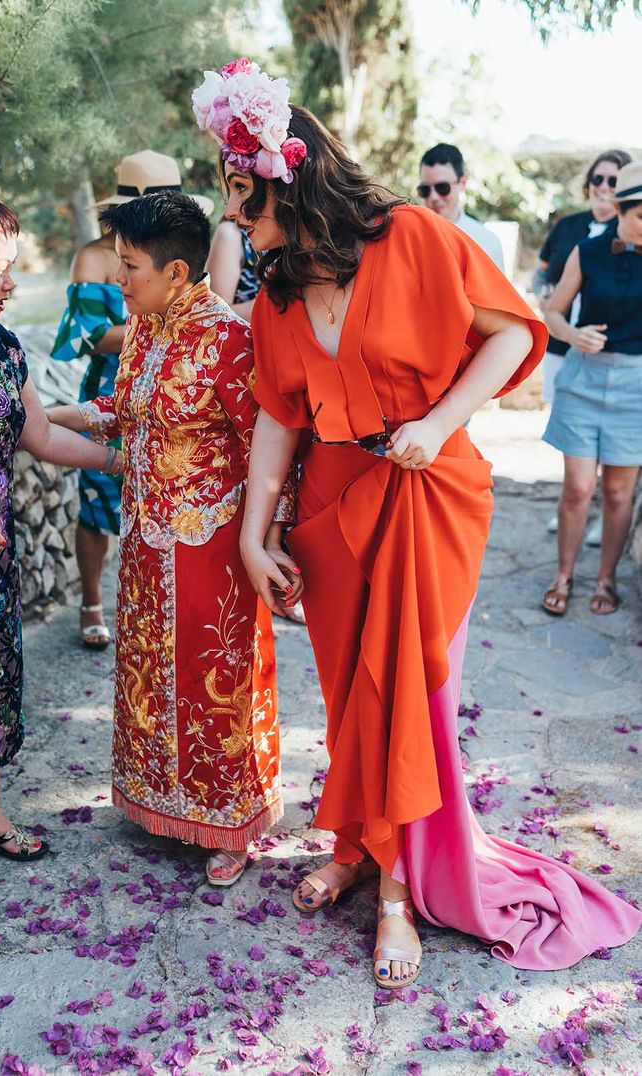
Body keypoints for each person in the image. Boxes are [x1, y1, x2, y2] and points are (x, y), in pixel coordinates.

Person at [193, 58, 642, 985]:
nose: (234, 215)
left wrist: (438, 423)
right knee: (351, 695)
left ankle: (398, 894)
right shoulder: (275, 290)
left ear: (291, 173)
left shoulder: (411, 237)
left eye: (243, 193)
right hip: (329, 512)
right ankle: (358, 847)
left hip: (428, 495)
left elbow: (515, 330)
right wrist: (251, 531)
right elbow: (280, 415)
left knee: (408, 692)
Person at [47, 192, 295, 887]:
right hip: (148, 540)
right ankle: (161, 800)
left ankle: (230, 821)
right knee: (150, 673)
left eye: (131, 267)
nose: (119, 279)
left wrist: (271, 538)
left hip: (214, 546)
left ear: (178, 271)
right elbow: (120, 409)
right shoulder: (147, 327)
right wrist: (45, 416)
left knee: (217, 679)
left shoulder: (228, 341)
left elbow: (269, 447)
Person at [0, 188, 123, 929]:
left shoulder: (4, 346)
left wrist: (121, 460)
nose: (10, 282)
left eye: (12, 266)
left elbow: (40, 436)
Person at [52, 151, 213, 649]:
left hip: (168, 396)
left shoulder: (178, 269)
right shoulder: (95, 260)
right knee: (97, 504)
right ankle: (92, 602)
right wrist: (163, 328)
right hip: (111, 389)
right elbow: (87, 336)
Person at [541, 160, 642, 617]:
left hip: (636, 386)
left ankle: (606, 578)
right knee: (579, 487)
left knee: (620, 494)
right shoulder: (587, 249)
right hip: (583, 378)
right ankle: (563, 574)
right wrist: (573, 335)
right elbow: (554, 314)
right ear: (621, 209)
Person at [206, 219, 307, 627]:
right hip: (249, 359)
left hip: (286, 353)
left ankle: (279, 567)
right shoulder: (232, 235)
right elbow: (218, 309)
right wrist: (289, 300)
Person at [534, 149, 631, 544]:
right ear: (588, 184)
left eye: (613, 181)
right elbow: (541, 272)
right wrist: (543, 296)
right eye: (598, 179)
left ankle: (598, 516)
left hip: (615, 353)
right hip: (563, 346)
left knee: (611, 447)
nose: (603, 188)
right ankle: (576, 502)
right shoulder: (569, 227)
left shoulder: (630, 241)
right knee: (575, 437)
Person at [418, 143, 505, 270]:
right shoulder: (408, 237)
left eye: (442, 188)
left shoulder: (486, 242)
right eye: (425, 189)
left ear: (462, 183)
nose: (433, 197)